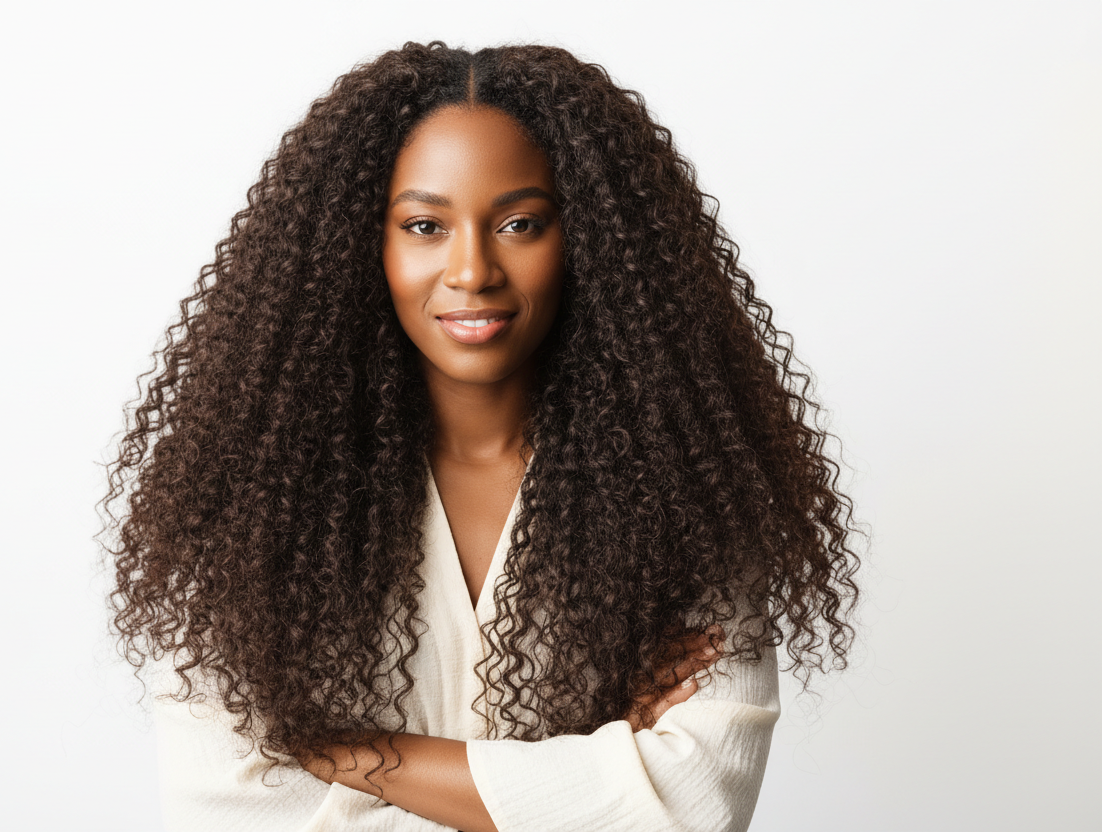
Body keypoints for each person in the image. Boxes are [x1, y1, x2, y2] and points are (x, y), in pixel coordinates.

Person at [102, 41, 862, 832]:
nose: (472, 270)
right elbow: (225, 809)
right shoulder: (246, 504)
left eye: (520, 224)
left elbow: (693, 805)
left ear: (590, 240)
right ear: (362, 242)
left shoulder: (686, 493)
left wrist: (343, 754)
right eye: (425, 225)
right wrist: (593, 783)